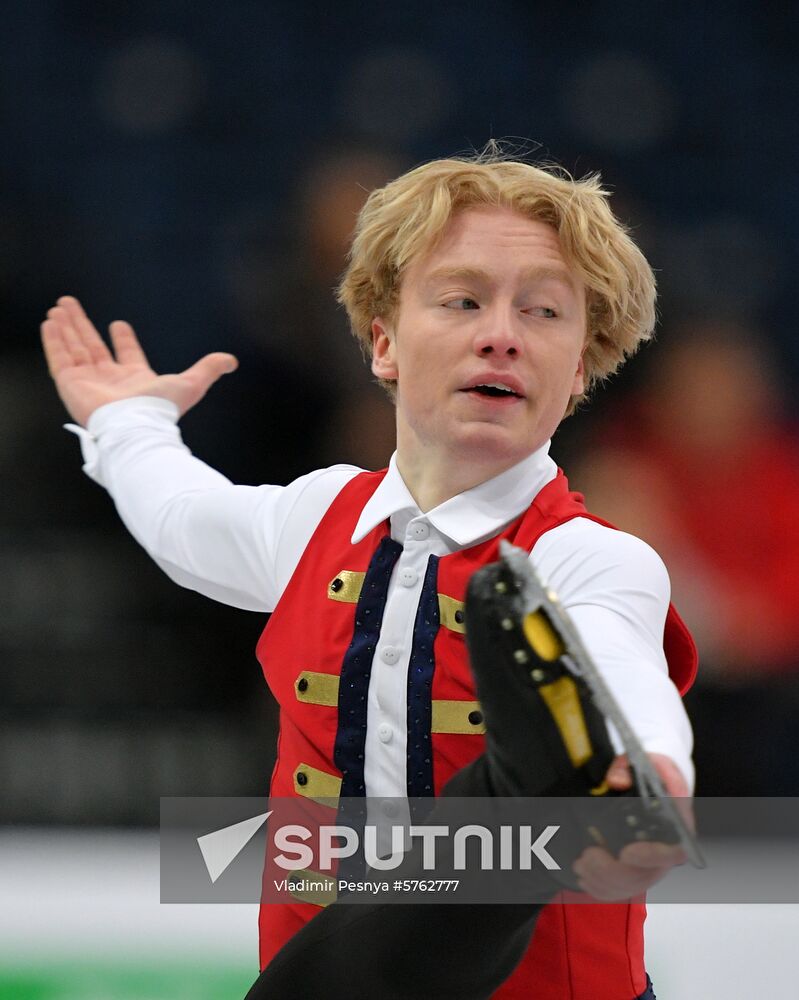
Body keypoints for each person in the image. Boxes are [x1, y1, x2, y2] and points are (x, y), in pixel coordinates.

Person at [41, 149, 696, 999]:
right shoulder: (315, 519)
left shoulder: (586, 556)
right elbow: (181, 516)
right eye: (461, 300)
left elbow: (616, 659)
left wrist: (650, 764)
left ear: (576, 370)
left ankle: (531, 785)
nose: (500, 333)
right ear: (383, 343)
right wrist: (127, 423)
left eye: (541, 311)